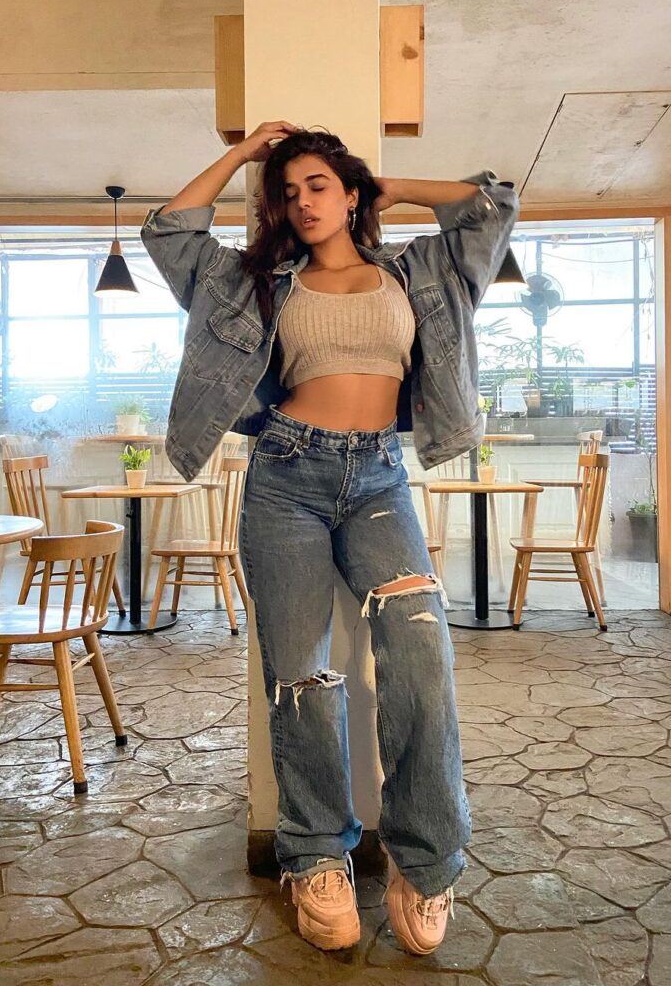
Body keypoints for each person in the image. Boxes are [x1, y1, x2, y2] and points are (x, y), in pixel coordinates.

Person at [141, 122, 519, 955]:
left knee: (421, 657)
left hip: (380, 478)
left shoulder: (419, 270)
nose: (301, 202)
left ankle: (425, 861)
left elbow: (491, 206)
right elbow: (168, 232)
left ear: (350, 195)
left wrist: (391, 186)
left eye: (317, 185)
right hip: (286, 478)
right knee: (302, 674)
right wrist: (242, 155)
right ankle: (316, 857)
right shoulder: (255, 284)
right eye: (287, 193)